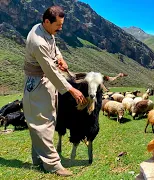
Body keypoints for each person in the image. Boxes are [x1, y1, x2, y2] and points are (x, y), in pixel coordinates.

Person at [23, 6, 86, 176]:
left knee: (48, 121)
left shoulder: (45, 31)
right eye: (58, 25)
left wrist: (60, 58)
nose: (61, 28)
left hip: (46, 82)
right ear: (47, 21)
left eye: (62, 24)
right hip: (37, 83)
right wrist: (72, 89)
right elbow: (50, 70)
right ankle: (53, 165)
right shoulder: (38, 42)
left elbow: (54, 47)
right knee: (42, 124)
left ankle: (38, 159)